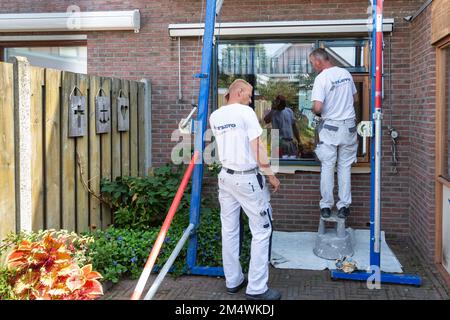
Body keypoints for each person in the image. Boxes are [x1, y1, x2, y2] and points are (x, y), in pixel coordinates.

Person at [209, 79, 282, 300]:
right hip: (247, 179)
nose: (250, 100)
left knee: (229, 230)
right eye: (249, 95)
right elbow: (257, 146)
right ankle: (257, 288)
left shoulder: (216, 116)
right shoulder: (245, 113)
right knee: (261, 231)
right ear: (239, 92)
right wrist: (270, 175)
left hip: (225, 178)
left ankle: (233, 280)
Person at [309, 48, 358, 219]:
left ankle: (326, 206)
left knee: (328, 167)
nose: (312, 66)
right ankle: (344, 206)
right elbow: (355, 99)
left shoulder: (322, 78)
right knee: (345, 167)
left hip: (331, 128)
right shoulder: (345, 73)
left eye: (311, 62)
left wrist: (315, 112)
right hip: (350, 127)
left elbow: (317, 107)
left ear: (318, 61)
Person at [263, 95, 300, 159]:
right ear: (277, 103)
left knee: (291, 163)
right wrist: (273, 109)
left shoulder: (289, 111)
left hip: (290, 142)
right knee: (276, 165)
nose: (282, 105)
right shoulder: (273, 112)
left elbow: (294, 126)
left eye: (283, 103)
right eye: (280, 103)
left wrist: (299, 141)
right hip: (277, 142)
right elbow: (266, 120)